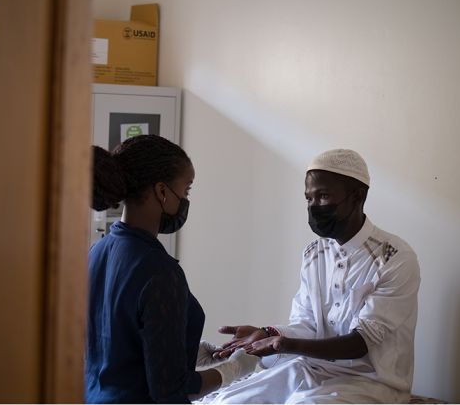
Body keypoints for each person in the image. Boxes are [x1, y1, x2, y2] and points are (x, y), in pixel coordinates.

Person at [201, 148, 421, 404]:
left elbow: (361, 343)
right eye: (309, 199)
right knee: (225, 401)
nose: (314, 207)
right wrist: (267, 333)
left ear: (358, 196)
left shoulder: (394, 257)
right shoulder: (314, 254)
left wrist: (283, 345)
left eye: (324, 196)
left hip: (371, 382)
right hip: (310, 368)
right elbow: (308, 325)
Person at [85, 135, 258, 404]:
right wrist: (235, 369)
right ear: (162, 192)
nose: (186, 200)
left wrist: (188, 352)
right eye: (186, 191)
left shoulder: (96, 252)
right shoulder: (159, 271)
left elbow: (116, 346)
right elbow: (171, 391)